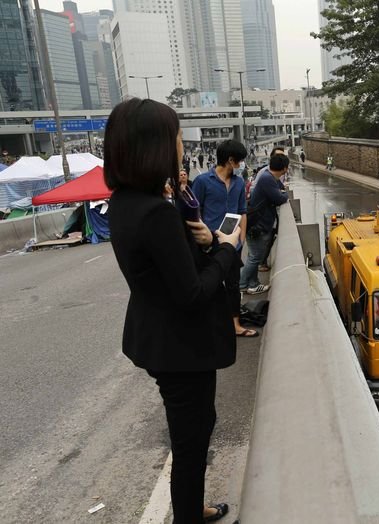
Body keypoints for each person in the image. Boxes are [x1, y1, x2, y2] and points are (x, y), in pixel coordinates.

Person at [105, 98, 237, 523]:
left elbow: (166, 269)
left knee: (193, 431)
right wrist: (226, 250)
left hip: (159, 339)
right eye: (178, 137)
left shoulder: (124, 202)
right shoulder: (155, 213)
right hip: (182, 347)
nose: (181, 146)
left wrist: (204, 240)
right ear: (156, 146)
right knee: (191, 440)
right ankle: (188, 515)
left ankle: (191, 506)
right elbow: (193, 293)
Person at [192, 140, 261, 338]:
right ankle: (208, 326)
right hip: (209, 243)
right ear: (230, 160)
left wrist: (241, 239)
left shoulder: (239, 183)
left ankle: (235, 325)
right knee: (210, 284)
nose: (241, 165)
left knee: (232, 285)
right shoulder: (203, 181)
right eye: (239, 161)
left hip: (232, 244)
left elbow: (242, 211)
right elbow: (195, 212)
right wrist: (203, 238)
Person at [240, 154, 289, 293]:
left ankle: (253, 283)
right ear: (284, 168)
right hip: (257, 225)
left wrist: (281, 191)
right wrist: (285, 194)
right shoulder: (267, 179)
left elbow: (280, 188)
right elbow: (280, 198)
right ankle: (242, 284)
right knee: (255, 257)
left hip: (257, 224)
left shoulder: (269, 177)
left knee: (254, 256)